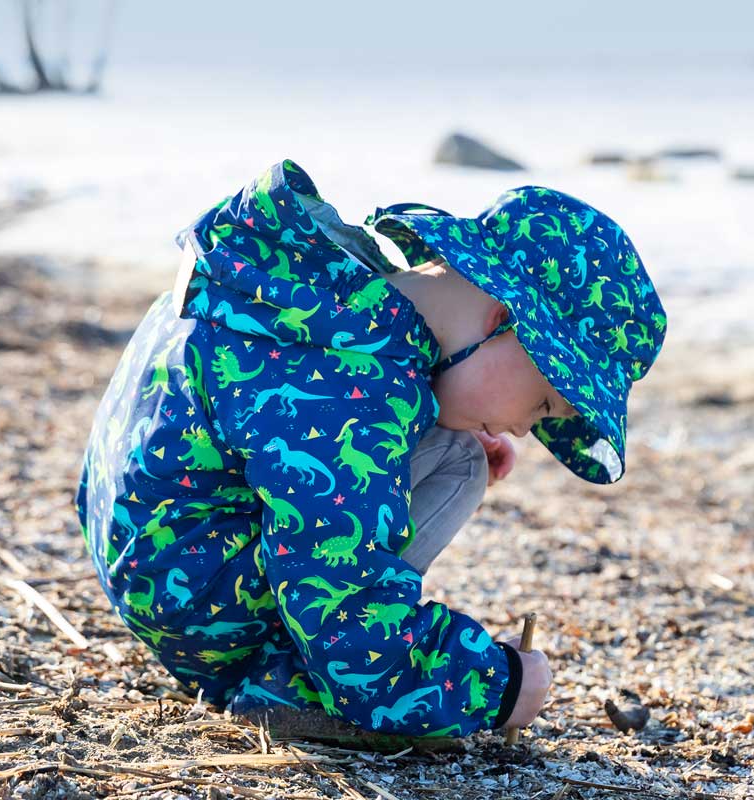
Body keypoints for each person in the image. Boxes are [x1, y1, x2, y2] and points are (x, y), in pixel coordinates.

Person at [75, 158, 667, 737]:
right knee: (456, 471)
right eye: (542, 405)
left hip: (146, 547)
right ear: (503, 318)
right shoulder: (356, 393)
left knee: (459, 452)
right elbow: (345, 609)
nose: (519, 430)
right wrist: (495, 684)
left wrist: (444, 424)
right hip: (202, 617)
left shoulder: (318, 298)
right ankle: (280, 684)